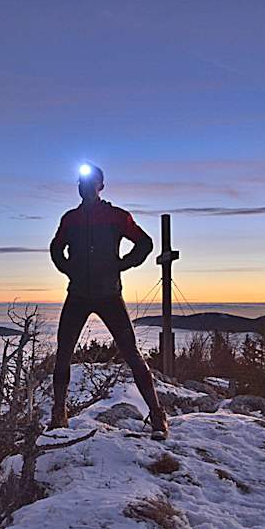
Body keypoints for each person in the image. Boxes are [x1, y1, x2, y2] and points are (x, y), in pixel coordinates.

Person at [49, 163, 170, 440]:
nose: (84, 186)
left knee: (131, 354)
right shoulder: (70, 219)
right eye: (80, 182)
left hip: (109, 295)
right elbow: (56, 248)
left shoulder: (117, 217)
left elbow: (145, 243)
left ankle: (157, 415)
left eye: (89, 182)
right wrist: (69, 269)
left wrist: (121, 265)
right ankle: (59, 415)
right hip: (78, 293)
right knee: (63, 353)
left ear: (100, 186)